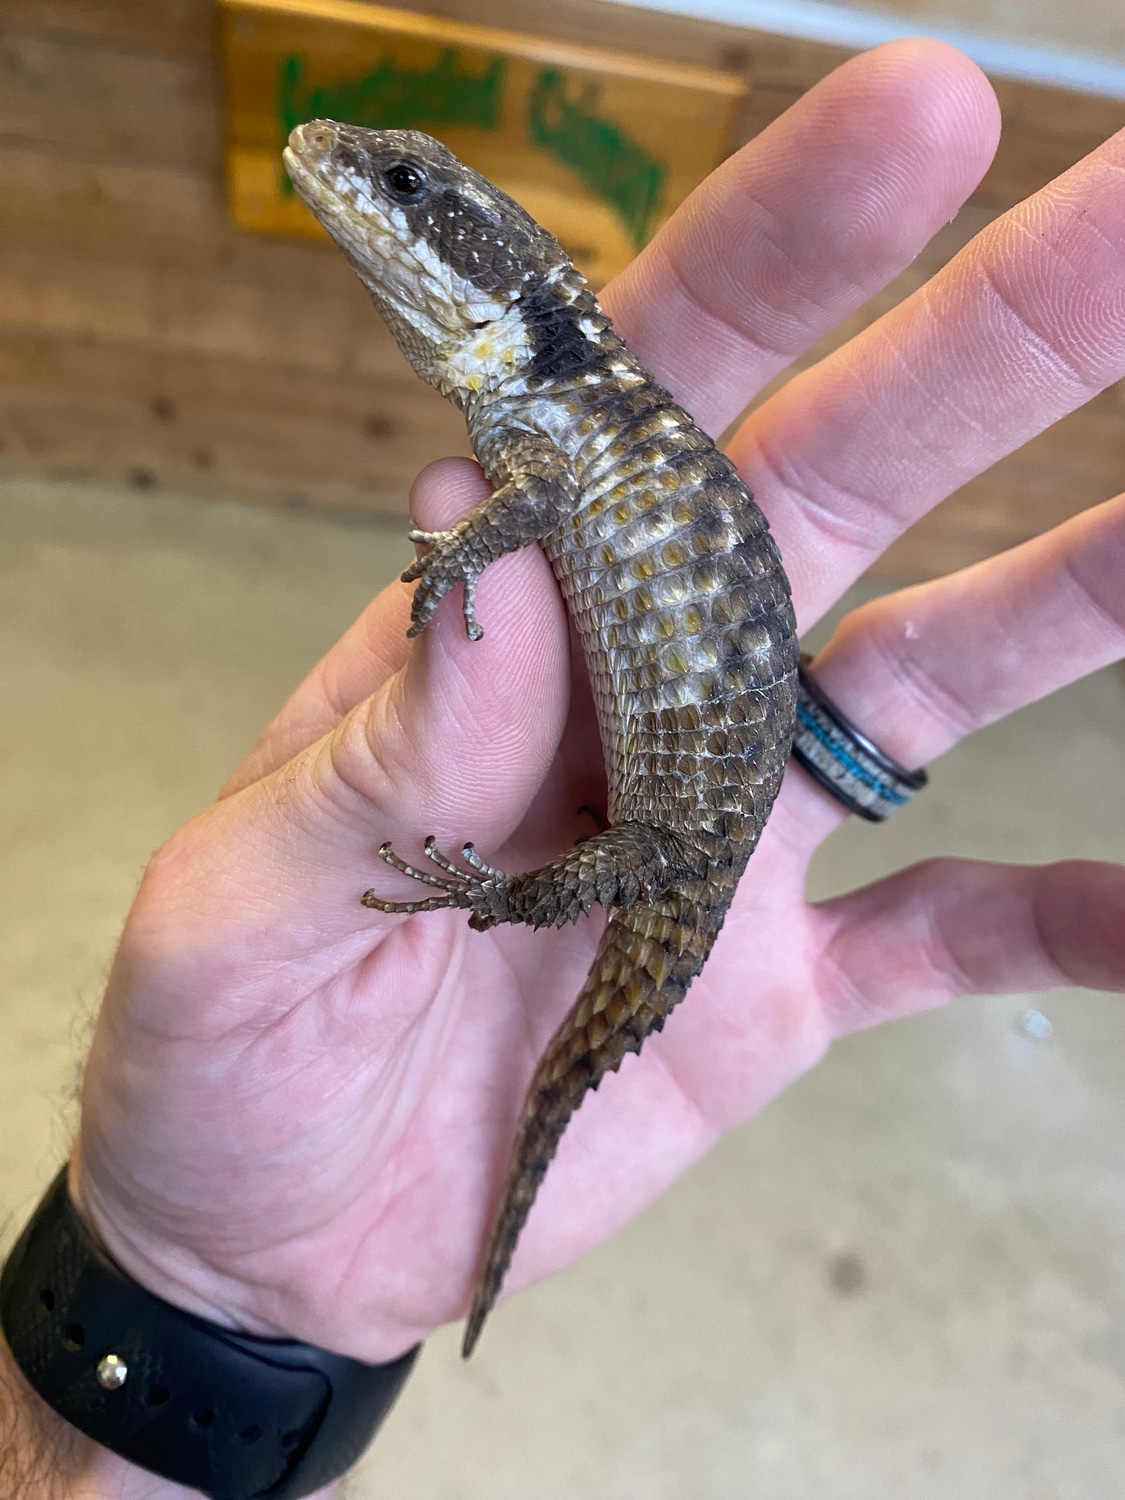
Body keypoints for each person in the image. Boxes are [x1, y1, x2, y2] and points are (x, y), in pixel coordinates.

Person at [4, 37, 1124, 1498]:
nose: (362, 180)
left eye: (403, 185)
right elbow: (536, 490)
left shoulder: (554, 413)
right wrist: (195, 1286)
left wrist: (498, 886)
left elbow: (531, 499)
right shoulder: (554, 399)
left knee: (612, 911)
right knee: (598, 889)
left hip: (677, 826)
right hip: (690, 764)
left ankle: (506, 939)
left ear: (485, 264)